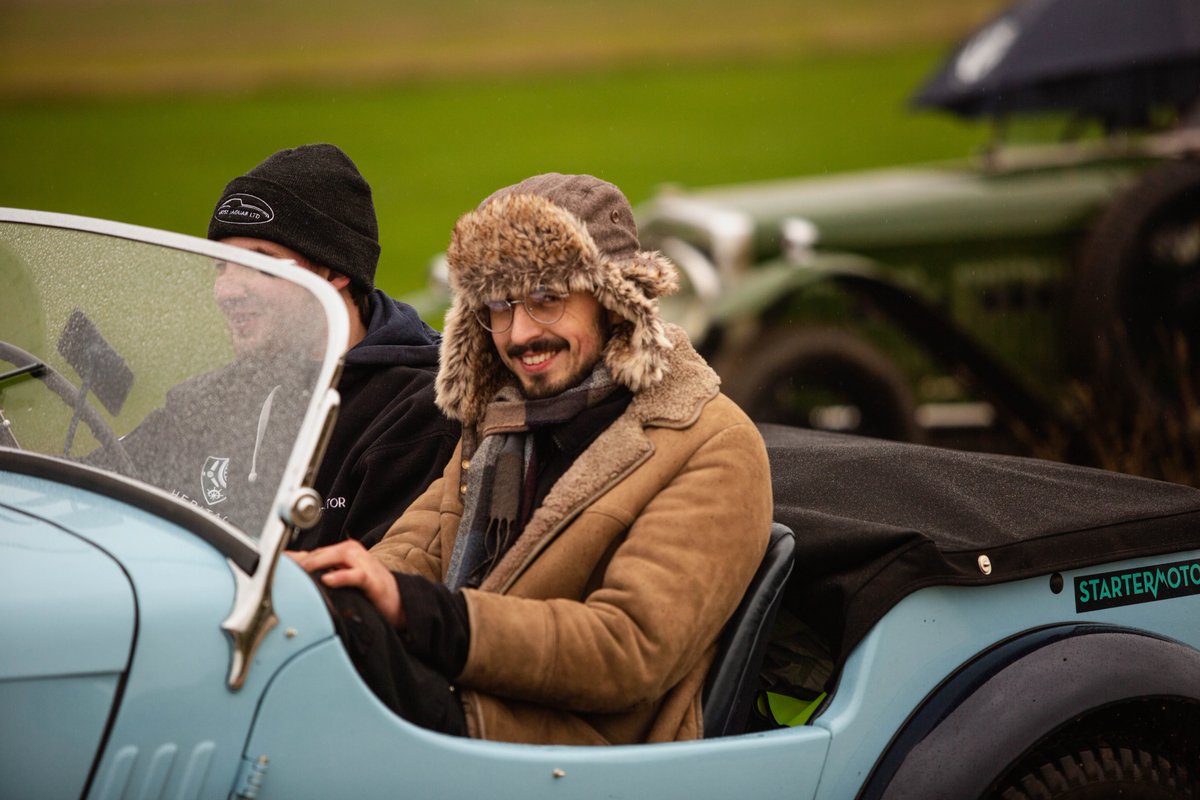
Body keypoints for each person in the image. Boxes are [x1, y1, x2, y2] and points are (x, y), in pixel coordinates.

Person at [291, 173, 773, 745]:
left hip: (579, 756)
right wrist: (325, 590)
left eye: (547, 299)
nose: (520, 334)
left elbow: (627, 650)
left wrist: (419, 613)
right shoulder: (500, 419)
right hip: (455, 708)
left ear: (615, 300)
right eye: (498, 305)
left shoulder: (713, 443)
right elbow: (410, 555)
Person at [115, 144, 458, 543]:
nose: (226, 290)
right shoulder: (210, 399)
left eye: (260, 263)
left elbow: (370, 588)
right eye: (220, 265)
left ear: (333, 272)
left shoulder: (417, 412)